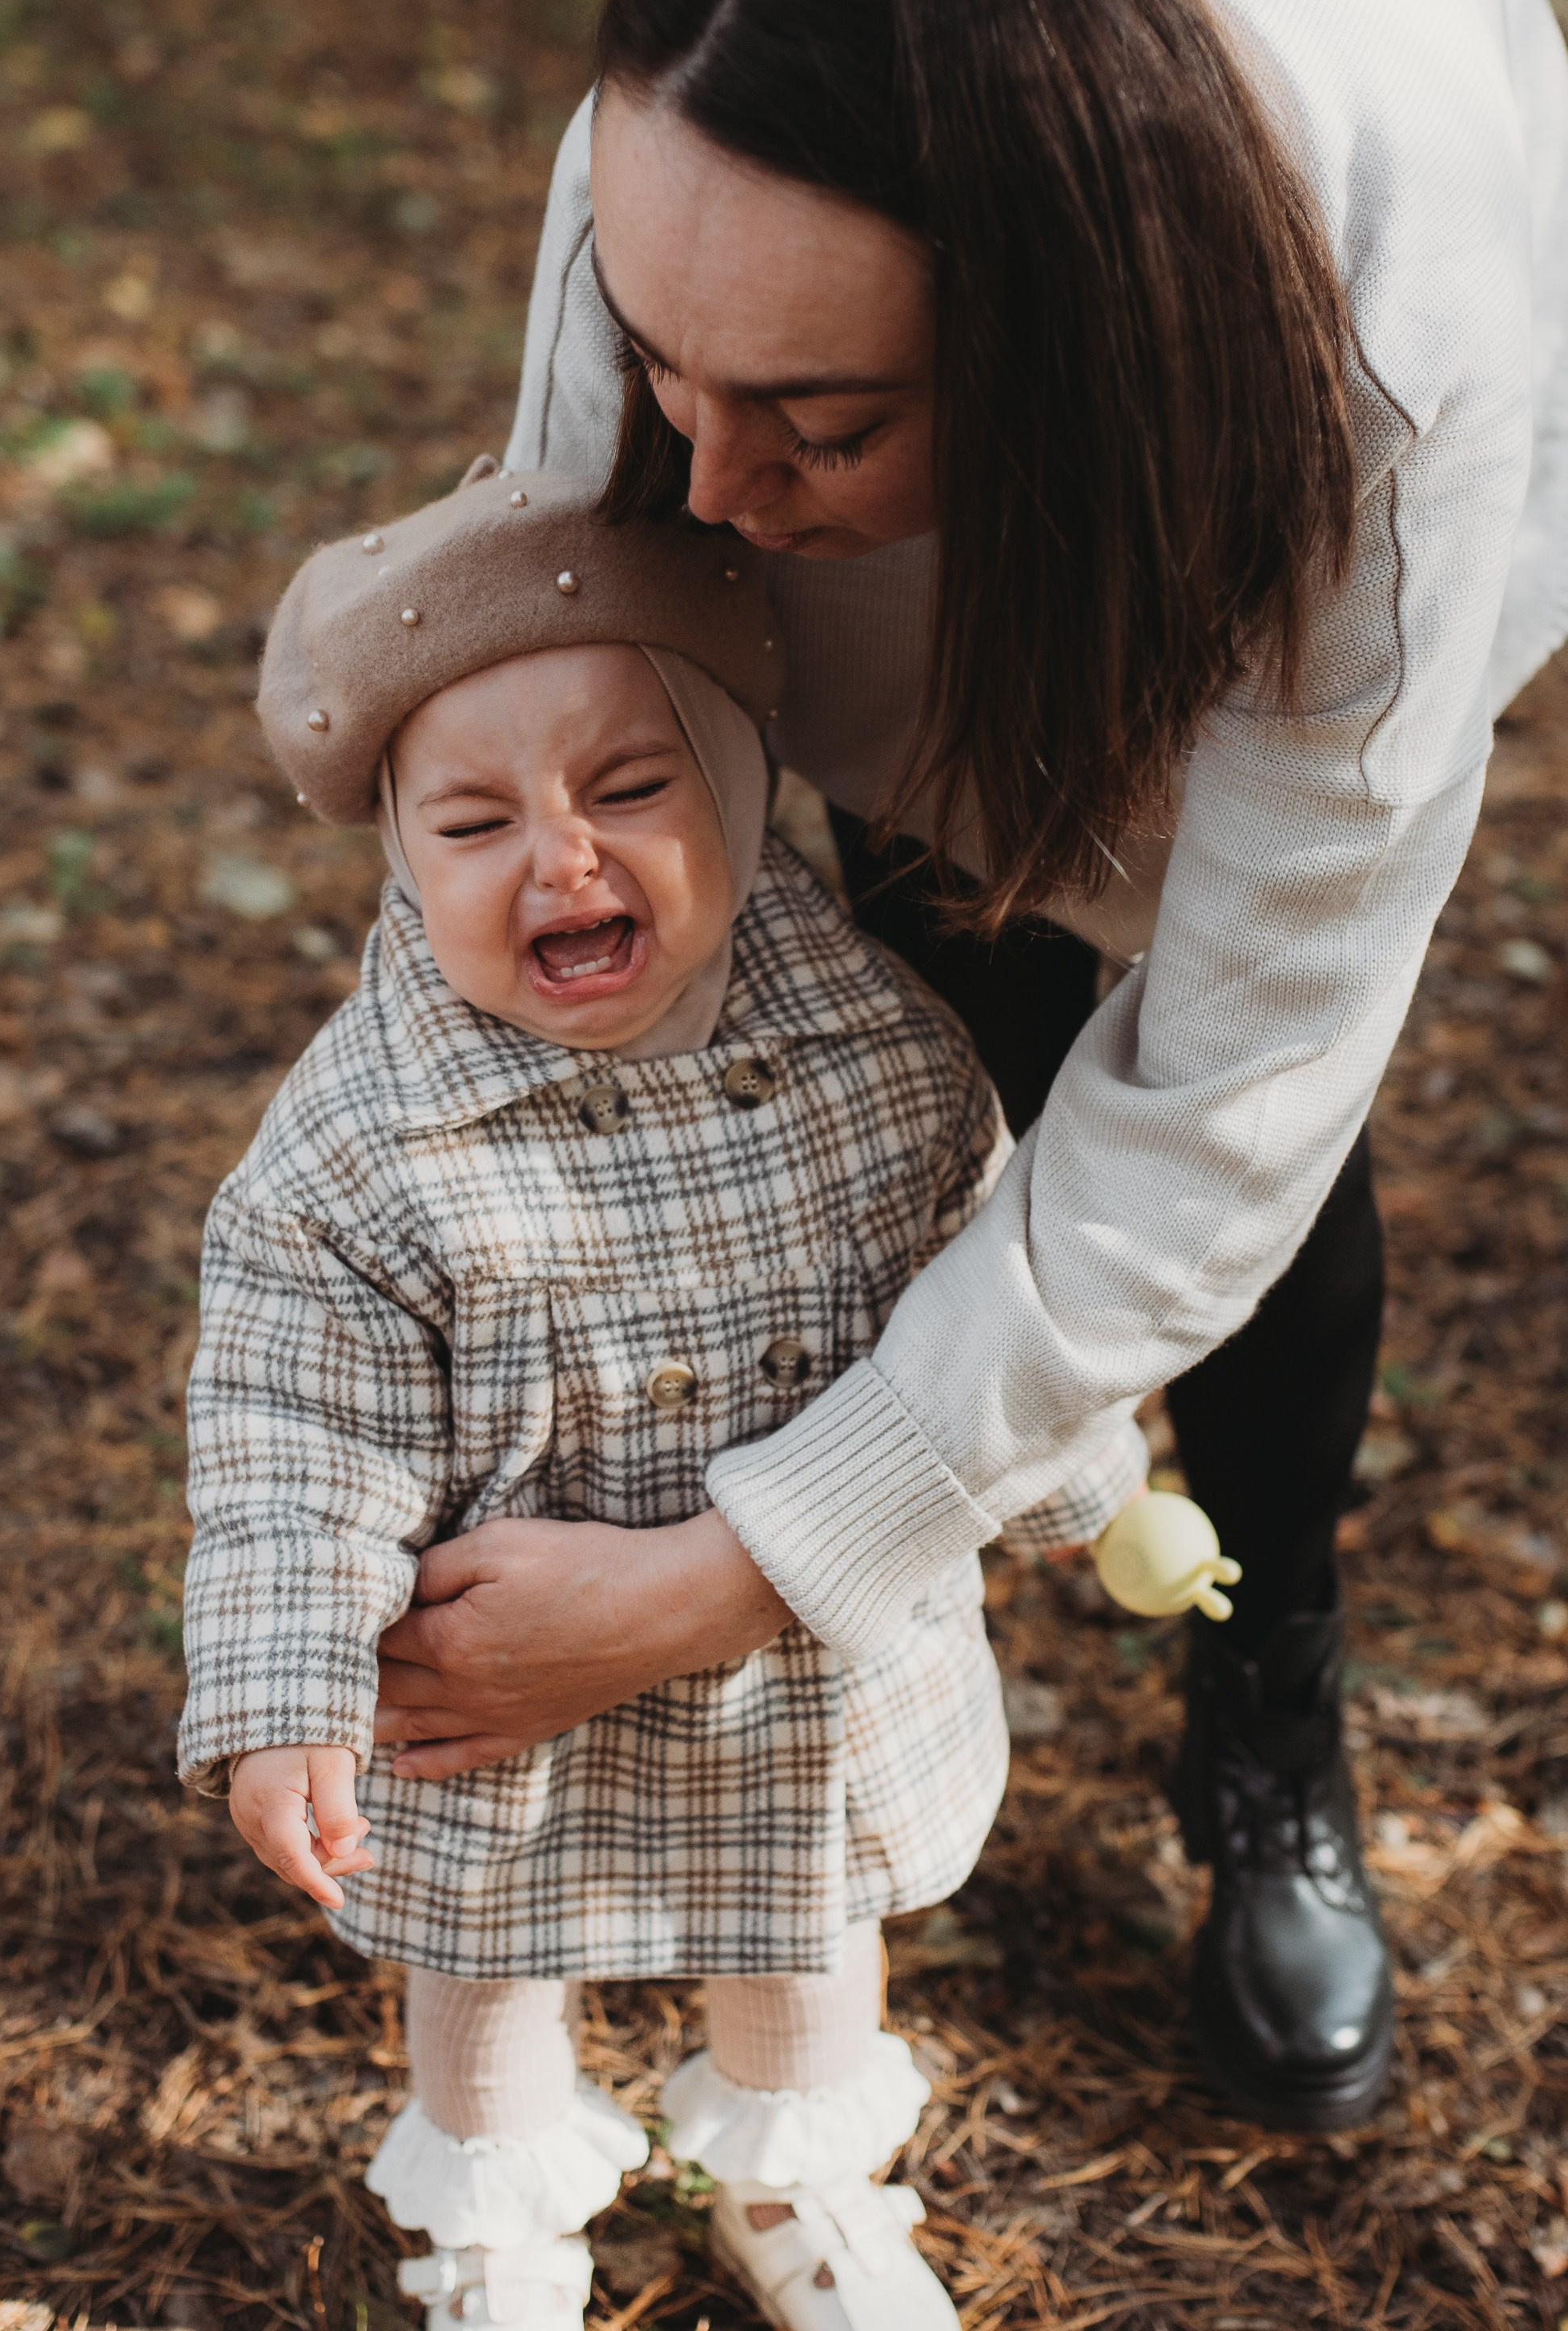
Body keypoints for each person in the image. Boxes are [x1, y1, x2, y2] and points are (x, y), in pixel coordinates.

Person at [364, 0, 1568, 2131]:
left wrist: (725, 1581)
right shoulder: (712, 145)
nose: (706, 485)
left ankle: (1268, 1719)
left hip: (1218, 526)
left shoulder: (1384, 393)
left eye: (811, 423)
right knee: (948, 1000)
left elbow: (1228, 1091)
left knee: (1233, 1153)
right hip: (945, 510)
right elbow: (576, 620)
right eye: (661, 370)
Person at [178, 468, 1146, 2331]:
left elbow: (979, 1283)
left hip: (802, 1665)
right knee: (488, 1966)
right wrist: (287, 1676)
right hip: (502, 1690)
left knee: (804, 1918)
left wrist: (1078, 1475)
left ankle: (799, 2186)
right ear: (399, 856)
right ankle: (499, 2227)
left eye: (631, 787)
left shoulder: (875, 1044)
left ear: (739, 781)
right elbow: (295, 1438)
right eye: (473, 822)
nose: (563, 861)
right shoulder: (360, 1151)